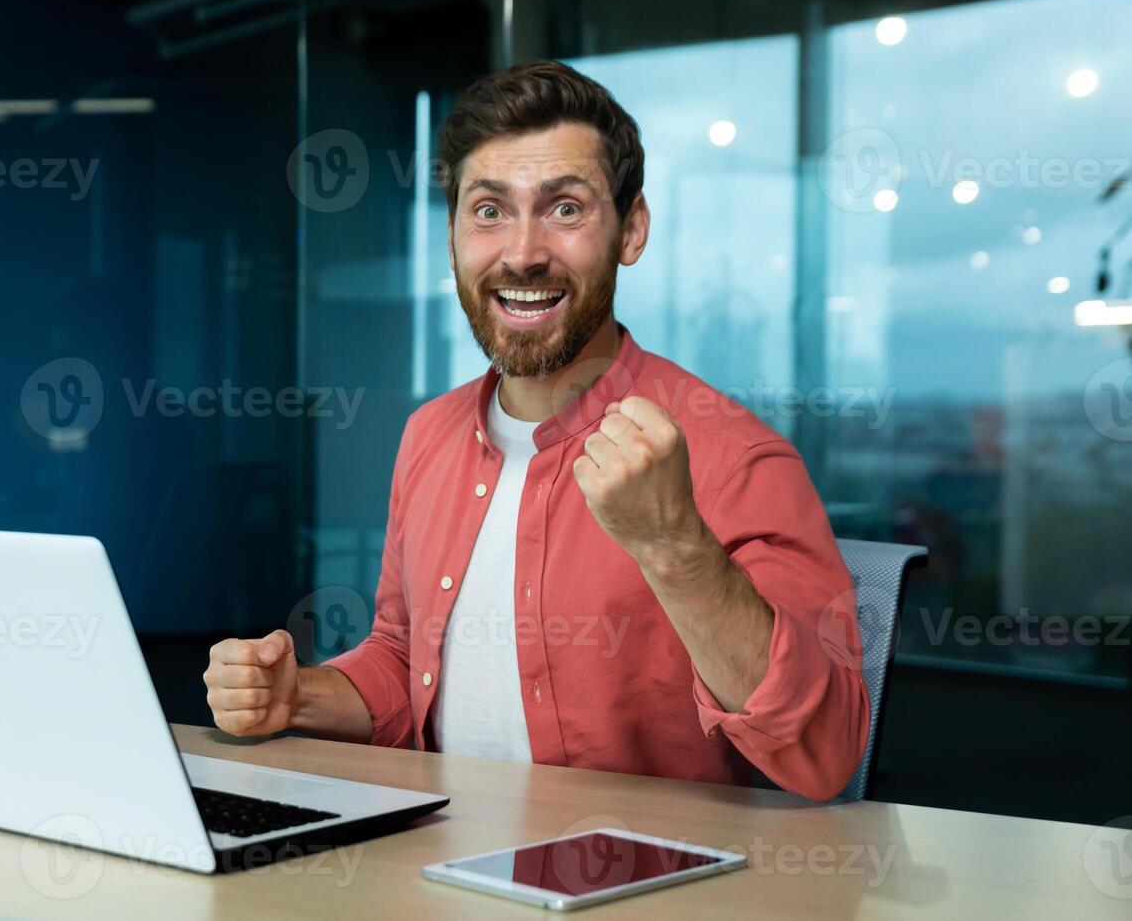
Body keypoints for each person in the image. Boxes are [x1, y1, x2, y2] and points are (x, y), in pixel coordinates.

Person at [204, 60, 867, 801]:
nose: (522, 252)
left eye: (565, 209)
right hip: (432, 867)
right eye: (489, 211)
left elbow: (826, 753)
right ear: (453, 234)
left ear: (632, 230)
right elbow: (402, 656)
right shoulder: (430, 434)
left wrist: (676, 545)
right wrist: (298, 696)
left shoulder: (734, 456)